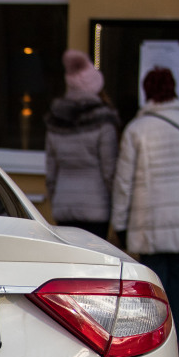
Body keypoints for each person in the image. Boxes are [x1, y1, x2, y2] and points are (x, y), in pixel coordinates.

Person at [112, 66, 179, 352]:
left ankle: (158, 344)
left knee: (154, 288)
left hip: (151, 222)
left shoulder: (136, 130)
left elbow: (123, 183)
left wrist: (120, 224)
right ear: (174, 90)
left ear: (146, 92)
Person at [44, 49, 120, 239]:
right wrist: (116, 205)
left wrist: (56, 199)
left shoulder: (55, 120)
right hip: (96, 207)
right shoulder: (104, 122)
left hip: (64, 205)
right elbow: (109, 171)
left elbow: (51, 172)